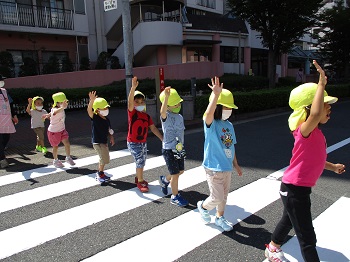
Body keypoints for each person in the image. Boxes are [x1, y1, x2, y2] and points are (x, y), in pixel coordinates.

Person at [264, 60, 346, 262]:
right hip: (294, 189)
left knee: (289, 220)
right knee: (307, 236)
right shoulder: (304, 131)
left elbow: (314, 159)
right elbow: (316, 113)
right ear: (309, 109)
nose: (329, 109)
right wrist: (320, 85)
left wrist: (332, 166)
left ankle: (273, 247)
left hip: (296, 189)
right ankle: (276, 248)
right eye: (325, 104)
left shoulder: (316, 133)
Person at [197, 76, 242, 231]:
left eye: (230, 108)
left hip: (227, 166)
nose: (229, 111)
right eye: (226, 107)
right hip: (213, 167)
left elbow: (232, 146)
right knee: (217, 197)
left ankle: (219, 217)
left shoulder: (229, 125)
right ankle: (203, 207)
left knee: (224, 196)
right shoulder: (211, 124)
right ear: (218, 107)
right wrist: (215, 96)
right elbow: (208, 115)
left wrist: (235, 164)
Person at [127, 76, 163, 193]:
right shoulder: (132, 113)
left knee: (142, 160)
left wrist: (162, 139)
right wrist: (133, 88)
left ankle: (138, 177)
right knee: (140, 161)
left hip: (143, 142)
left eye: (142, 101)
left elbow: (153, 128)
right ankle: (140, 181)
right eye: (136, 102)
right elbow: (129, 103)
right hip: (133, 142)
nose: (140, 103)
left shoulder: (147, 116)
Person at [158, 87, 188, 207]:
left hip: (179, 149)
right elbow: (162, 112)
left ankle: (165, 180)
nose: (178, 106)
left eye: (178, 103)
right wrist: (166, 97)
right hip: (168, 149)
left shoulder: (180, 117)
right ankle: (175, 196)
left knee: (180, 171)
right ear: (168, 106)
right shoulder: (166, 117)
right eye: (174, 105)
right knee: (175, 174)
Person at [87, 91, 115, 183]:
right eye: (104, 108)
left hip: (103, 141)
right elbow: (89, 111)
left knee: (105, 158)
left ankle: (101, 172)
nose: (106, 109)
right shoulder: (95, 118)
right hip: (97, 142)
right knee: (103, 158)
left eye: (106, 107)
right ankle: (100, 174)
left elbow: (109, 130)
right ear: (97, 110)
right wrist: (91, 101)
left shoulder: (107, 119)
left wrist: (111, 137)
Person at [44, 92, 75, 168]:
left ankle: (68, 157)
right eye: (62, 102)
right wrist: (62, 108)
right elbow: (54, 112)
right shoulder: (55, 109)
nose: (64, 104)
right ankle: (55, 160)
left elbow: (52, 113)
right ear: (57, 103)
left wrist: (48, 115)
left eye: (65, 102)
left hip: (62, 130)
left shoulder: (60, 108)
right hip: (54, 132)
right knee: (55, 147)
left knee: (67, 143)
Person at [0, 75, 18, 168]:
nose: (2, 81)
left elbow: (10, 104)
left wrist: (14, 116)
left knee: (6, 138)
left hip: (6, 120)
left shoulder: (4, 91)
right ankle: (2, 159)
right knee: (0, 140)